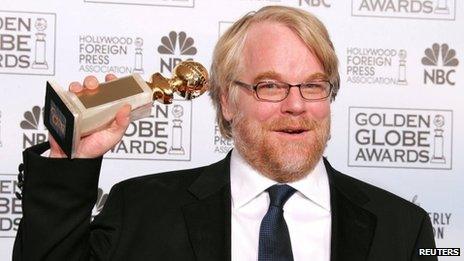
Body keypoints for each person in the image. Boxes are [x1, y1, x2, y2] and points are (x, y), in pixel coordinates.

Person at [13, 5, 436, 261]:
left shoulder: (404, 229)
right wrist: (73, 163)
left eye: (313, 85)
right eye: (269, 85)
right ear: (228, 101)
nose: (296, 104)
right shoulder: (141, 210)